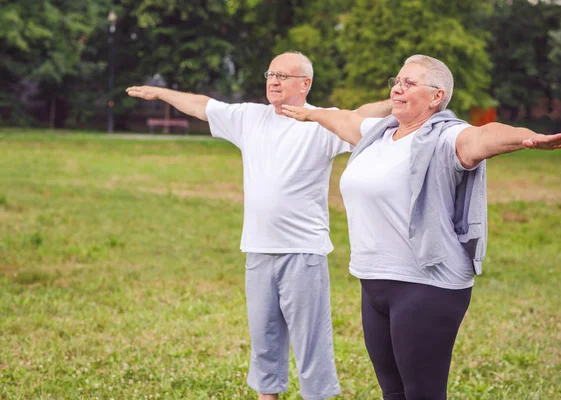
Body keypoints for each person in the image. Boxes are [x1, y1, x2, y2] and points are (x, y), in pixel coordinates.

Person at [281, 54, 561, 400]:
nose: (398, 88)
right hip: (374, 283)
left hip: (426, 284)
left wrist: (527, 137)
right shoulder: (378, 135)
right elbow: (343, 119)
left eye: (410, 83)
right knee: (393, 391)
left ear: (436, 96)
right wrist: (309, 113)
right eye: (397, 81)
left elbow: (485, 136)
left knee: (423, 393)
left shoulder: (447, 138)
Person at [126, 51, 391, 400]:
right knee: (264, 340)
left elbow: (361, 115)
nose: (274, 81)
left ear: (305, 83)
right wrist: (161, 92)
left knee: (311, 343)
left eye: (283, 76)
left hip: (303, 251)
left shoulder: (322, 122)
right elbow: (203, 105)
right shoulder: (250, 117)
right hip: (258, 249)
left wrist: (397, 101)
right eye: (270, 74)